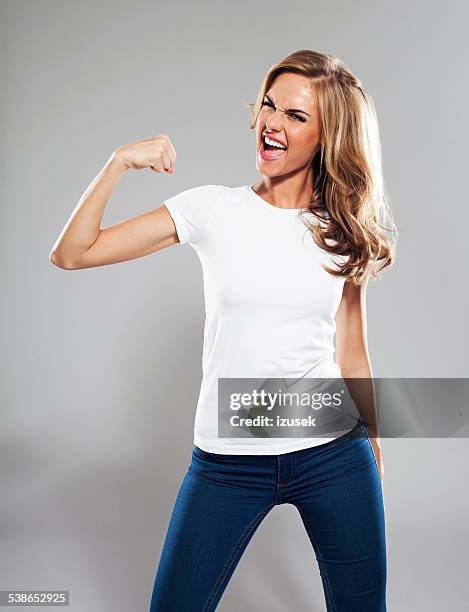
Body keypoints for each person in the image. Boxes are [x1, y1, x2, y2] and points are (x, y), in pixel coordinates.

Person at [49, 49, 396, 611]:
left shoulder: (341, 231)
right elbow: (72, 253)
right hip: (229, 463)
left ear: (327, 137)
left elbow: (352, 352)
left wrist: (374, 445)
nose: (272, 123)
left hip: (335, 453)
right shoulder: (211, 210)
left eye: (296, 116)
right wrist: (117, 162)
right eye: (268, 105)